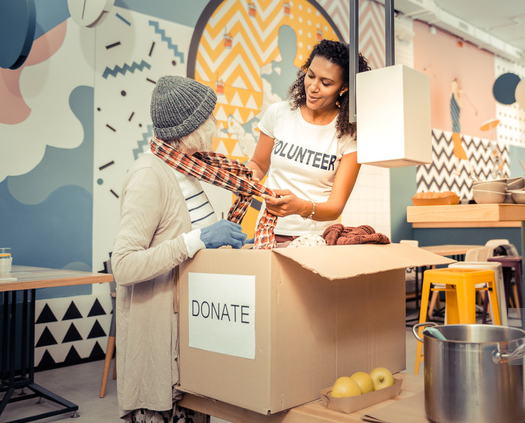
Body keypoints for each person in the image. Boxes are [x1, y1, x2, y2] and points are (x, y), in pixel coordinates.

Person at [111, 76, 251, 422]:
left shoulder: (187, 168)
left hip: (191, 329)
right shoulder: (149, 175)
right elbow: (125, 266)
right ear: (188, 128)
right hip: (159, 333)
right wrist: (199, 239)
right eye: (209, 119)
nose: (215, 126)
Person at [247, 39, 371, 242]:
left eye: (326, 83)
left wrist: (301, 207)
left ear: (344, 87)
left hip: (317, 240)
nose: (313, 87)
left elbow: (335, 207)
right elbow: (259, 164)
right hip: (268, 232)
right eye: (310, 75)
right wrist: (246, 176)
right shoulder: (278, 113)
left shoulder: (350, 134)